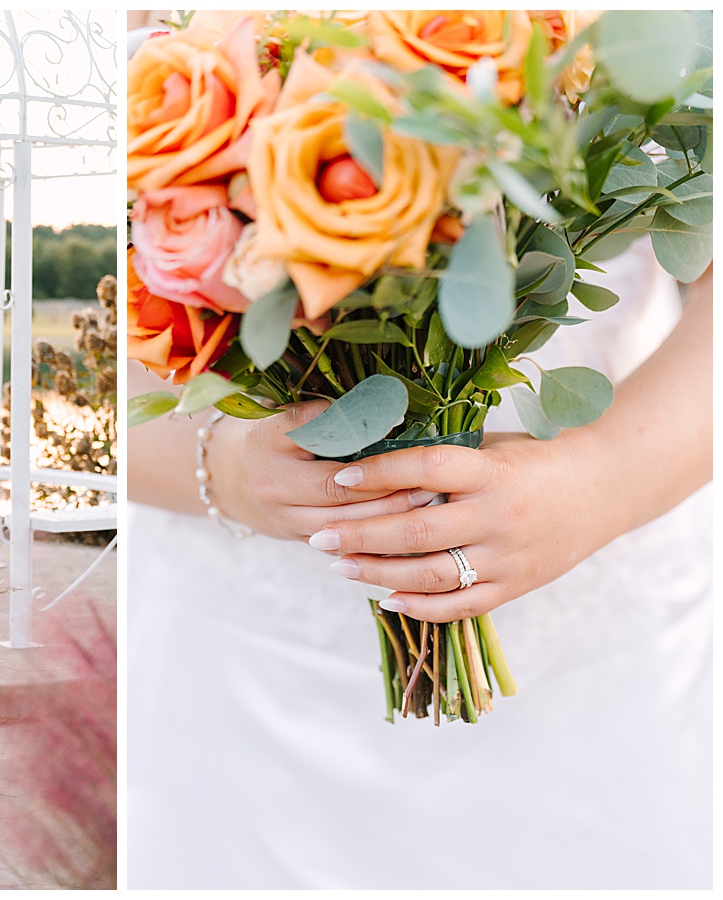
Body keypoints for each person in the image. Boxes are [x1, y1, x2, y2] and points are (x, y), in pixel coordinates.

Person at [126, 227, 712, 889]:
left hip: (597, 649)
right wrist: (227, 470)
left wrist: (599, 482)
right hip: (243, 680)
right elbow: (93, 363)